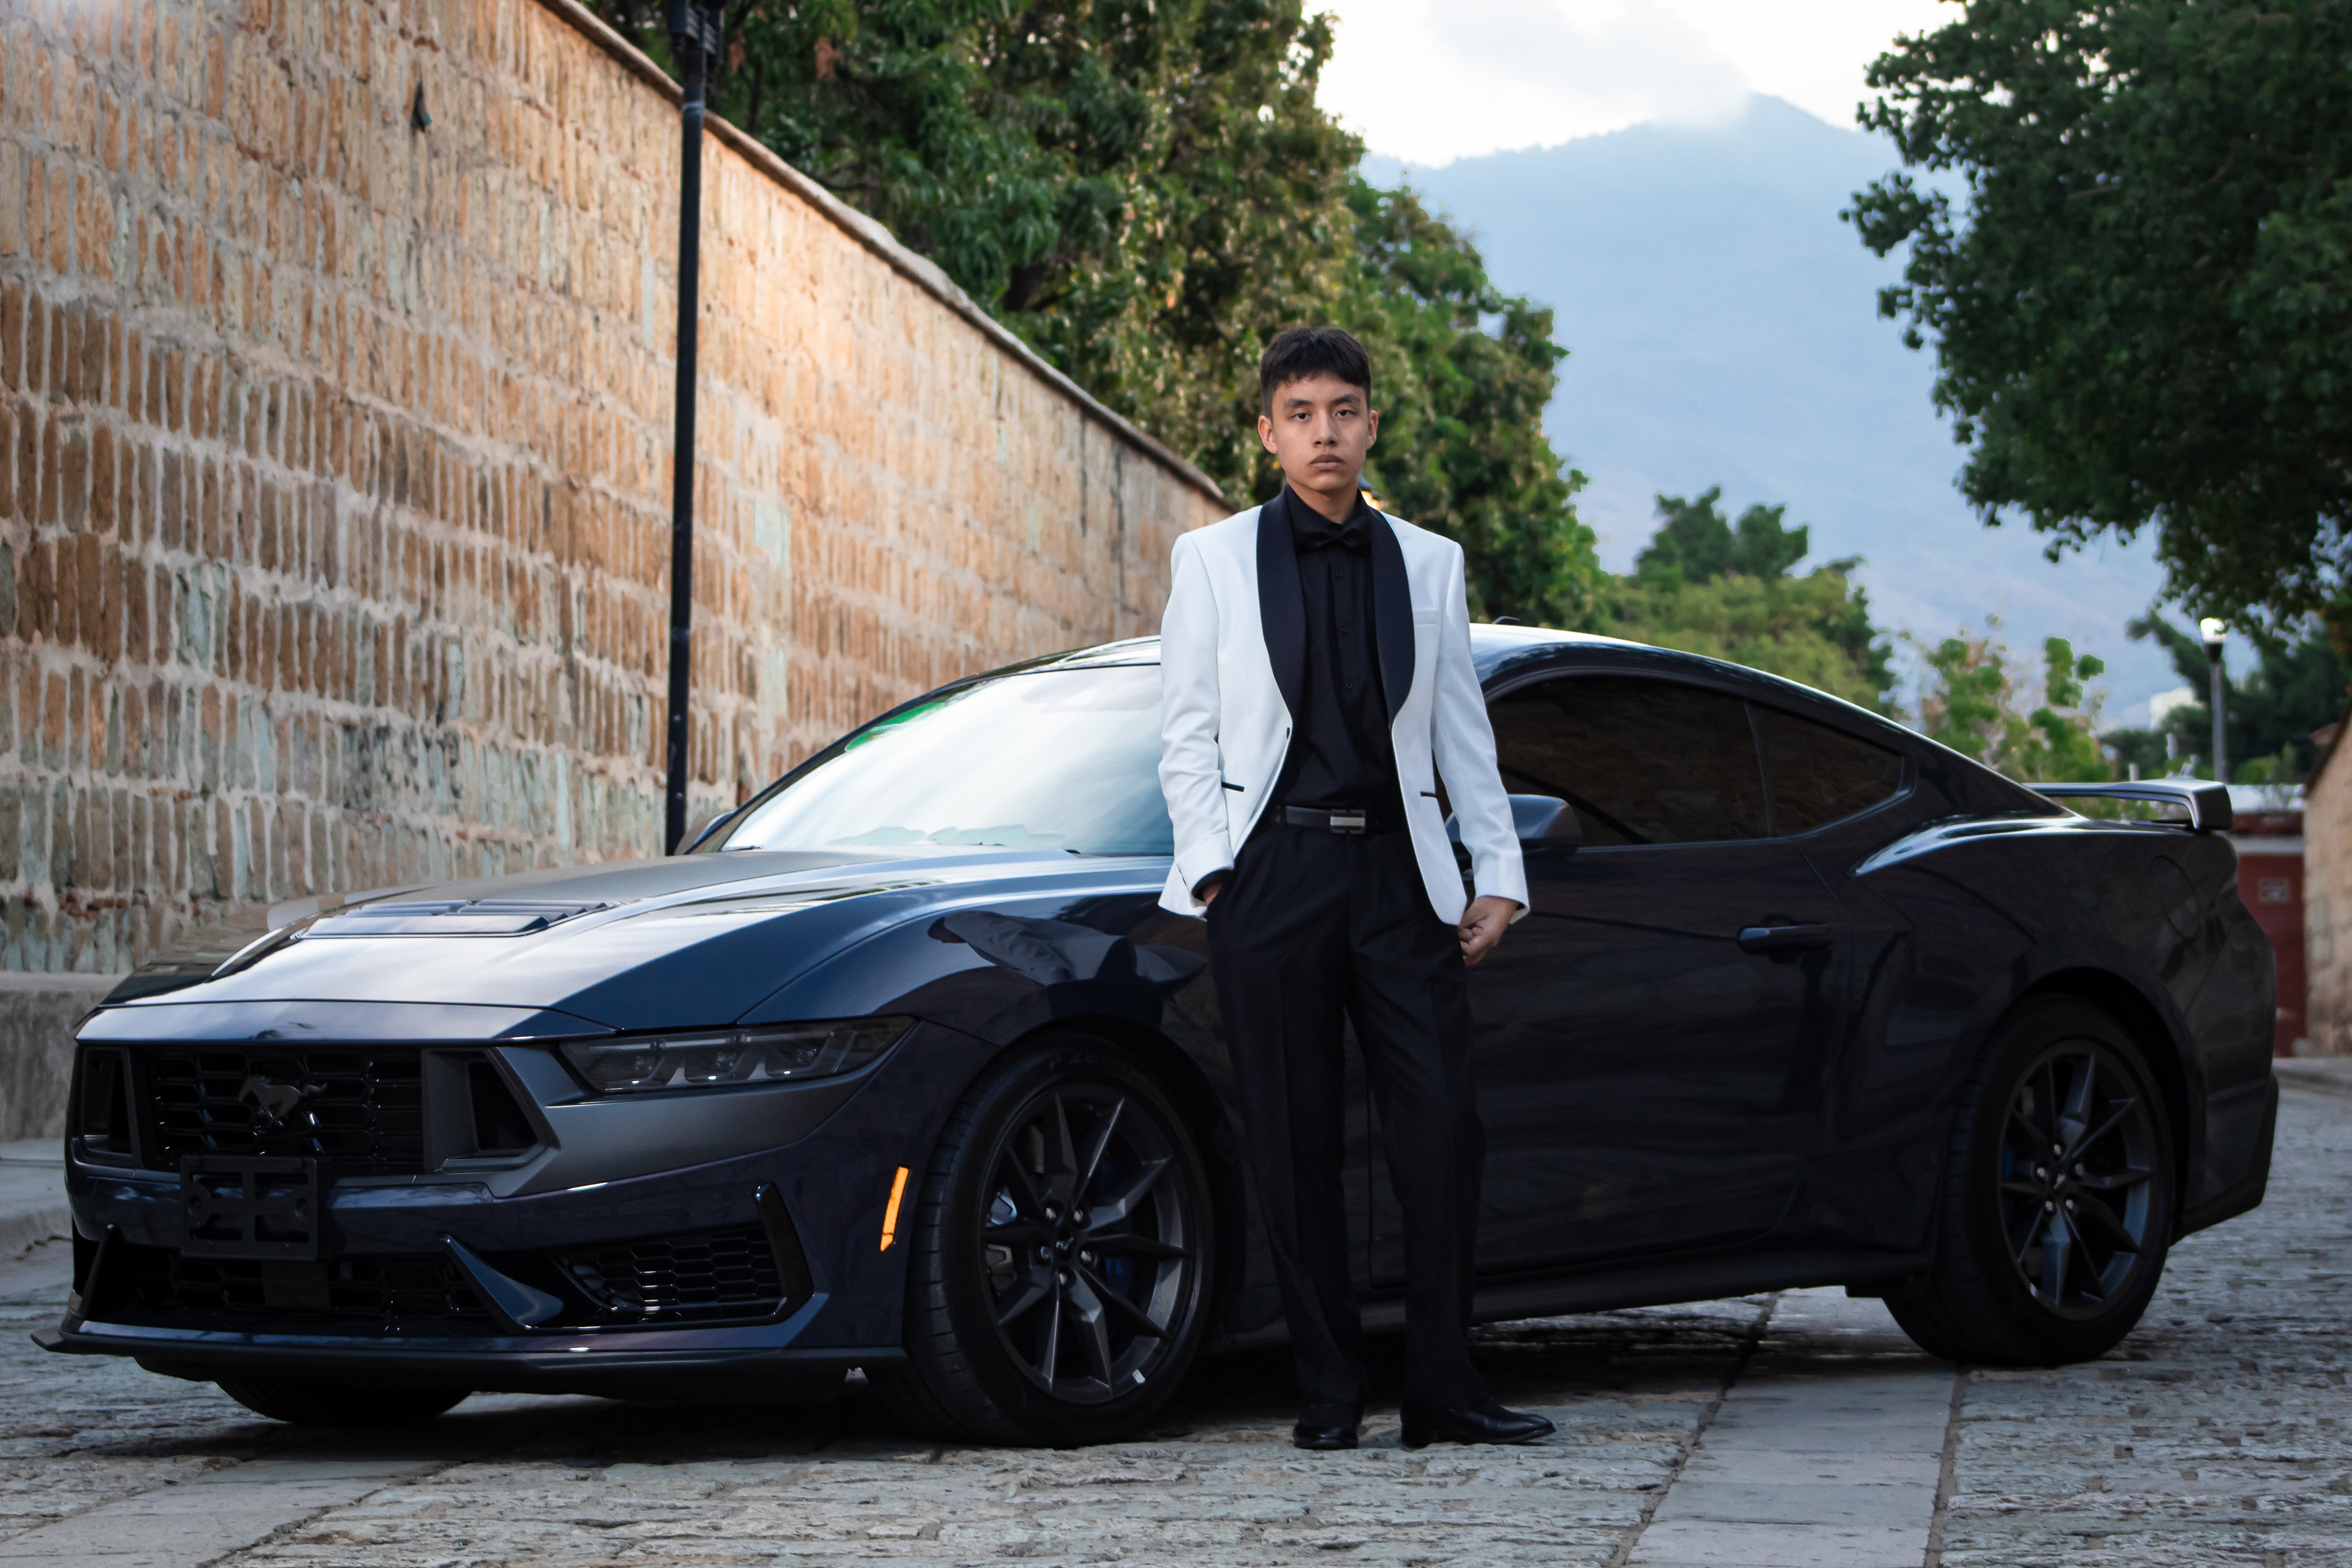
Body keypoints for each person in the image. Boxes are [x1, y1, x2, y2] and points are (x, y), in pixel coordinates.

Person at [1156, 325, 1552, 1452]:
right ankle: (1329, 1394)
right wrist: (1217, 872)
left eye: (1342, 411)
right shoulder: (1213, 559)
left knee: (1443, 1133)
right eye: (1301, 415)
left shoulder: (1430, 563)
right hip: (1271, 874)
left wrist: (1497, 872)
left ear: (1372, 425)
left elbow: (1462, 732)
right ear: (1268, 433)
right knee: (1294, 1145)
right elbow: (1185, 733)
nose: (1323, 433)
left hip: (1399, 875)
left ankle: (1444, 1390)